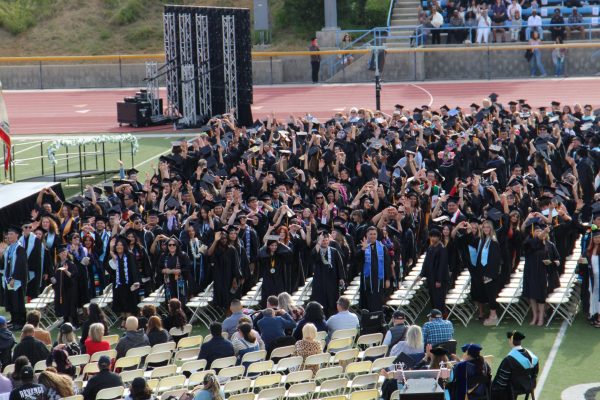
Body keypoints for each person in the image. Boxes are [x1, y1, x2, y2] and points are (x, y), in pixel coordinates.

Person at [522, 220, 559, 326]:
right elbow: (533, 243)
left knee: (541, 296)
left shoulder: (549, 245)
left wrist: (552, 262)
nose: (539, 233)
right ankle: (535, 316)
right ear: (532, 233)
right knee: (532, 296)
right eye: (536, 231)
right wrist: (543, 232)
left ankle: (541, 317)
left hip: (544, 273)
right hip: (531, 273)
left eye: (540, 231)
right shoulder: (529, 243)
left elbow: (557, 259)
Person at [492, 331, 539, 400]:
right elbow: (535, 374)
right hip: (530, 385)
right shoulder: (533, 356)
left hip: (514, 388)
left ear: (510, 341)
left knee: (494, 387)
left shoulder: (509, 359)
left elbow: (502, 380)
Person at [0, 226, 29, 330]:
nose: (9, 236)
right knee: (11, 299)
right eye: (8, 234)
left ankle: (20, 322)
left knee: (18, 301)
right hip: (8, 278)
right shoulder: (8, 248)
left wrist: (14, 278)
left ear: (17, 235)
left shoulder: (20, 249)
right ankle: (13, 319)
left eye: (12, 234)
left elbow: (21, 265)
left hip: (16, 280)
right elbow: (5, 263)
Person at [310, 231, 345, 317]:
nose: (325, 242)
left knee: (332, 301)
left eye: (326, 240)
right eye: (323, 240)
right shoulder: (317, 250)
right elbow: (313, 255)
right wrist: (319, 241)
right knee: (320, 302)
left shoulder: (334, 251)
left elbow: (340, 265)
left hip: (332, 280)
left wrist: (341, 278)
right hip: (320, 280)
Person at [358, 227, 392, 312]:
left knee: (378, 300)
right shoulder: (362, 245)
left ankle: (378, 318)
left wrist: (388, 279)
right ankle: (368, 319)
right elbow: (357, 261)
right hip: (366, 279)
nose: (372, 236)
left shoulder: (382, 247)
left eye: (374, 234)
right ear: (366, 235)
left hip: (379, 279)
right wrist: (363, 250)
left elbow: (387, 264)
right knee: (367, 300)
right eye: (370, 234)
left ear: (377, 235)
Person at [108, 236, 140, 324]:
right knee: (120, 301)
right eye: (117, 245)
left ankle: (128, 321)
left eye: (121, 245)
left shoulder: (129, 255)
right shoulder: (114, 256)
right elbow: (110, 269)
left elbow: (134, 269)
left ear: (124, 246)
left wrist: (136, 282)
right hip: (118, 283)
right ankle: (123, 319)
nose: (119, 247)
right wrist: (112, 255)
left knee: (129, 301)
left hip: (129, 283)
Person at [419, 228, 449, 314]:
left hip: (439, 279)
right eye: (431, 236)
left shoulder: (442, 248)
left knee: (439, 300)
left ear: (439, 237)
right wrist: (421, 274)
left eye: (435, 237)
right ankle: (435, 317)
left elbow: (442, 266)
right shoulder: (430, 247)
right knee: (433, 299)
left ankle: (442, 318)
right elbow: (426, 262)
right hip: (431, 278)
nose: (433, 238)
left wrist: (438, 280)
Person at [51, 244, 79, 326]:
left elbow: (74, 275)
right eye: (61, 253)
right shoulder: (58, 264)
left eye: (64, 252)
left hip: (69, 289)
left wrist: (66, 271)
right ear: (59, 255)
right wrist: (53, 279)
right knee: (63, 306)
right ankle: (65, 320)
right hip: (60, 289)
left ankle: (75, 323)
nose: (63, 254)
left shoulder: (70, 263)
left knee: (71, 306)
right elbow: (55, 275)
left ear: (67, 253)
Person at [586, 228, 600, 327]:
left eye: (599, 237)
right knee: (593, 296)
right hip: (592, 277)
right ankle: (594, 314)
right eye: (595, 237)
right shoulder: (589, 250)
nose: (597, 239)